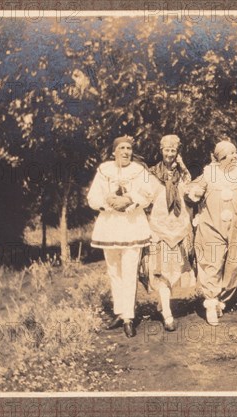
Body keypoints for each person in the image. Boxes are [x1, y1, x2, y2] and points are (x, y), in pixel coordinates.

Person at [87, 135, 154, 338]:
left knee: (129, 270)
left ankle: (129, 317)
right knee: (114, 270)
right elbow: (92, 197)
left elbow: (148, 194)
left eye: (129, 148)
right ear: (114, 151)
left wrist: (129, 199)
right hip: (109, 226)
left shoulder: (139, 170)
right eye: (122, 148)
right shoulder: (104, 170)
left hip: (132, 225)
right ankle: (119, 311)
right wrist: (107, 202)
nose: (126, 152)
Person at [187, 140, 237, 325]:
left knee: (234, 266)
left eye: (235, 152)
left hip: (236, 227)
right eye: (229, 154)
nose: (234, 157)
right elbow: (192, 190)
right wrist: (195, 193)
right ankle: (211, 304)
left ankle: (223, 299)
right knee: (212, 263)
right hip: (211, 226)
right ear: (219, 159)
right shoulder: (209, 174)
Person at [142, 134, 195, 331]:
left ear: (178, 152)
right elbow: (145, 198)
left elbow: (189, 193)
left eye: (173, 150)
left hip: (179, 227)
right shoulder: (152, 173)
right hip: (159, 227)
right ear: (161, 150)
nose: (170, 154)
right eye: (167, 150)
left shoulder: (183, 174)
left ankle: (162, 305)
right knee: (161, 269)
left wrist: (182, 167)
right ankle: (168, 315)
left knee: (173, 268)